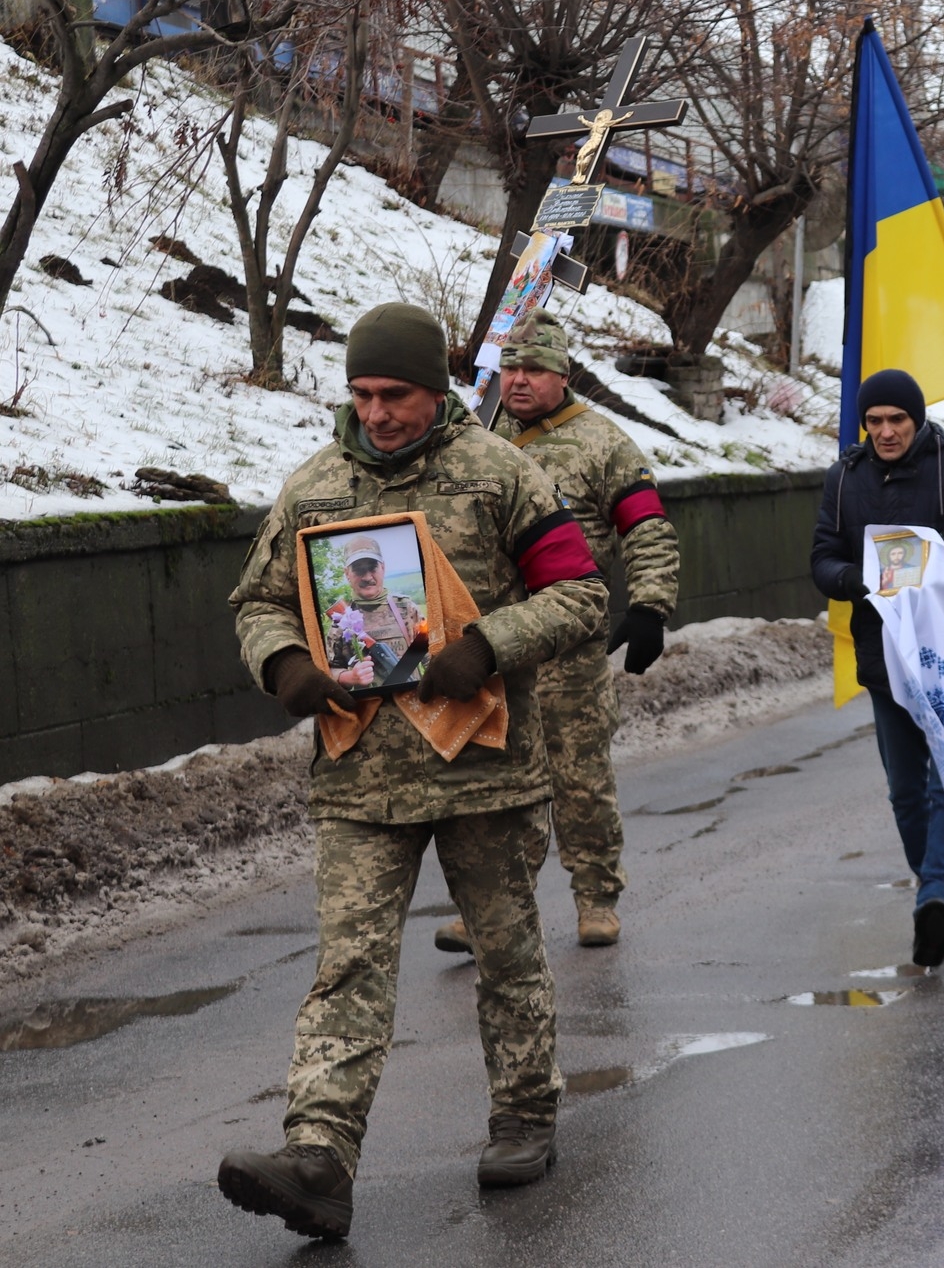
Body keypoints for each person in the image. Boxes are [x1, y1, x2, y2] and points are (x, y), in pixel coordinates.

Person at [220, 303, 610, 1235]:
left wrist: (489, 642)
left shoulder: (500, 475)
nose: (379, 411)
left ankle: (524, 1111)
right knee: (348, 965)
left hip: (483, 764)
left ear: (436, 390)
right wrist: (285, 666)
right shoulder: (313, 487)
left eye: (395, 393)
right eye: (362, 393)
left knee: (507, 952)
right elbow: (258, 602)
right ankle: (320, 1156)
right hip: (361, 776)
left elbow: (583, 591)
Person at [434, 311, 681, 957]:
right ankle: (487, 908)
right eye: (510, 367)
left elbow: (647, 527)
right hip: (491, 649)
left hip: (570, 650)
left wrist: (651, 606)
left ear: (562, 374)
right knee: (494, 788)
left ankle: (596, 896)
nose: (518, 380)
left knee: (580, 780)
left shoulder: (603, 444)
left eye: (534, 369)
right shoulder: (479, 443)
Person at [813, 372, 944, 964]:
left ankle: (935, 898)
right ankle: (934, 891)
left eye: (897, 419)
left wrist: (938, 571)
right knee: (904, 793)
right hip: (884, 659)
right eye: (875, 421)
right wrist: (856, 579)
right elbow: (822, 557)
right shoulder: (844, 478)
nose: (886, 431)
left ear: (917, 419)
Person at [323, 535, 424, 687]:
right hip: (372, 707)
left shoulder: (407, 608)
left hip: (413, 701)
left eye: (372, 567)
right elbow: (329, 670)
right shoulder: (342, 621)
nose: (367, 576)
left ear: (383, 568)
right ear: (347, 574)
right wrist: (349, 677)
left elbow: (433, 656)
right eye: (358, 570)